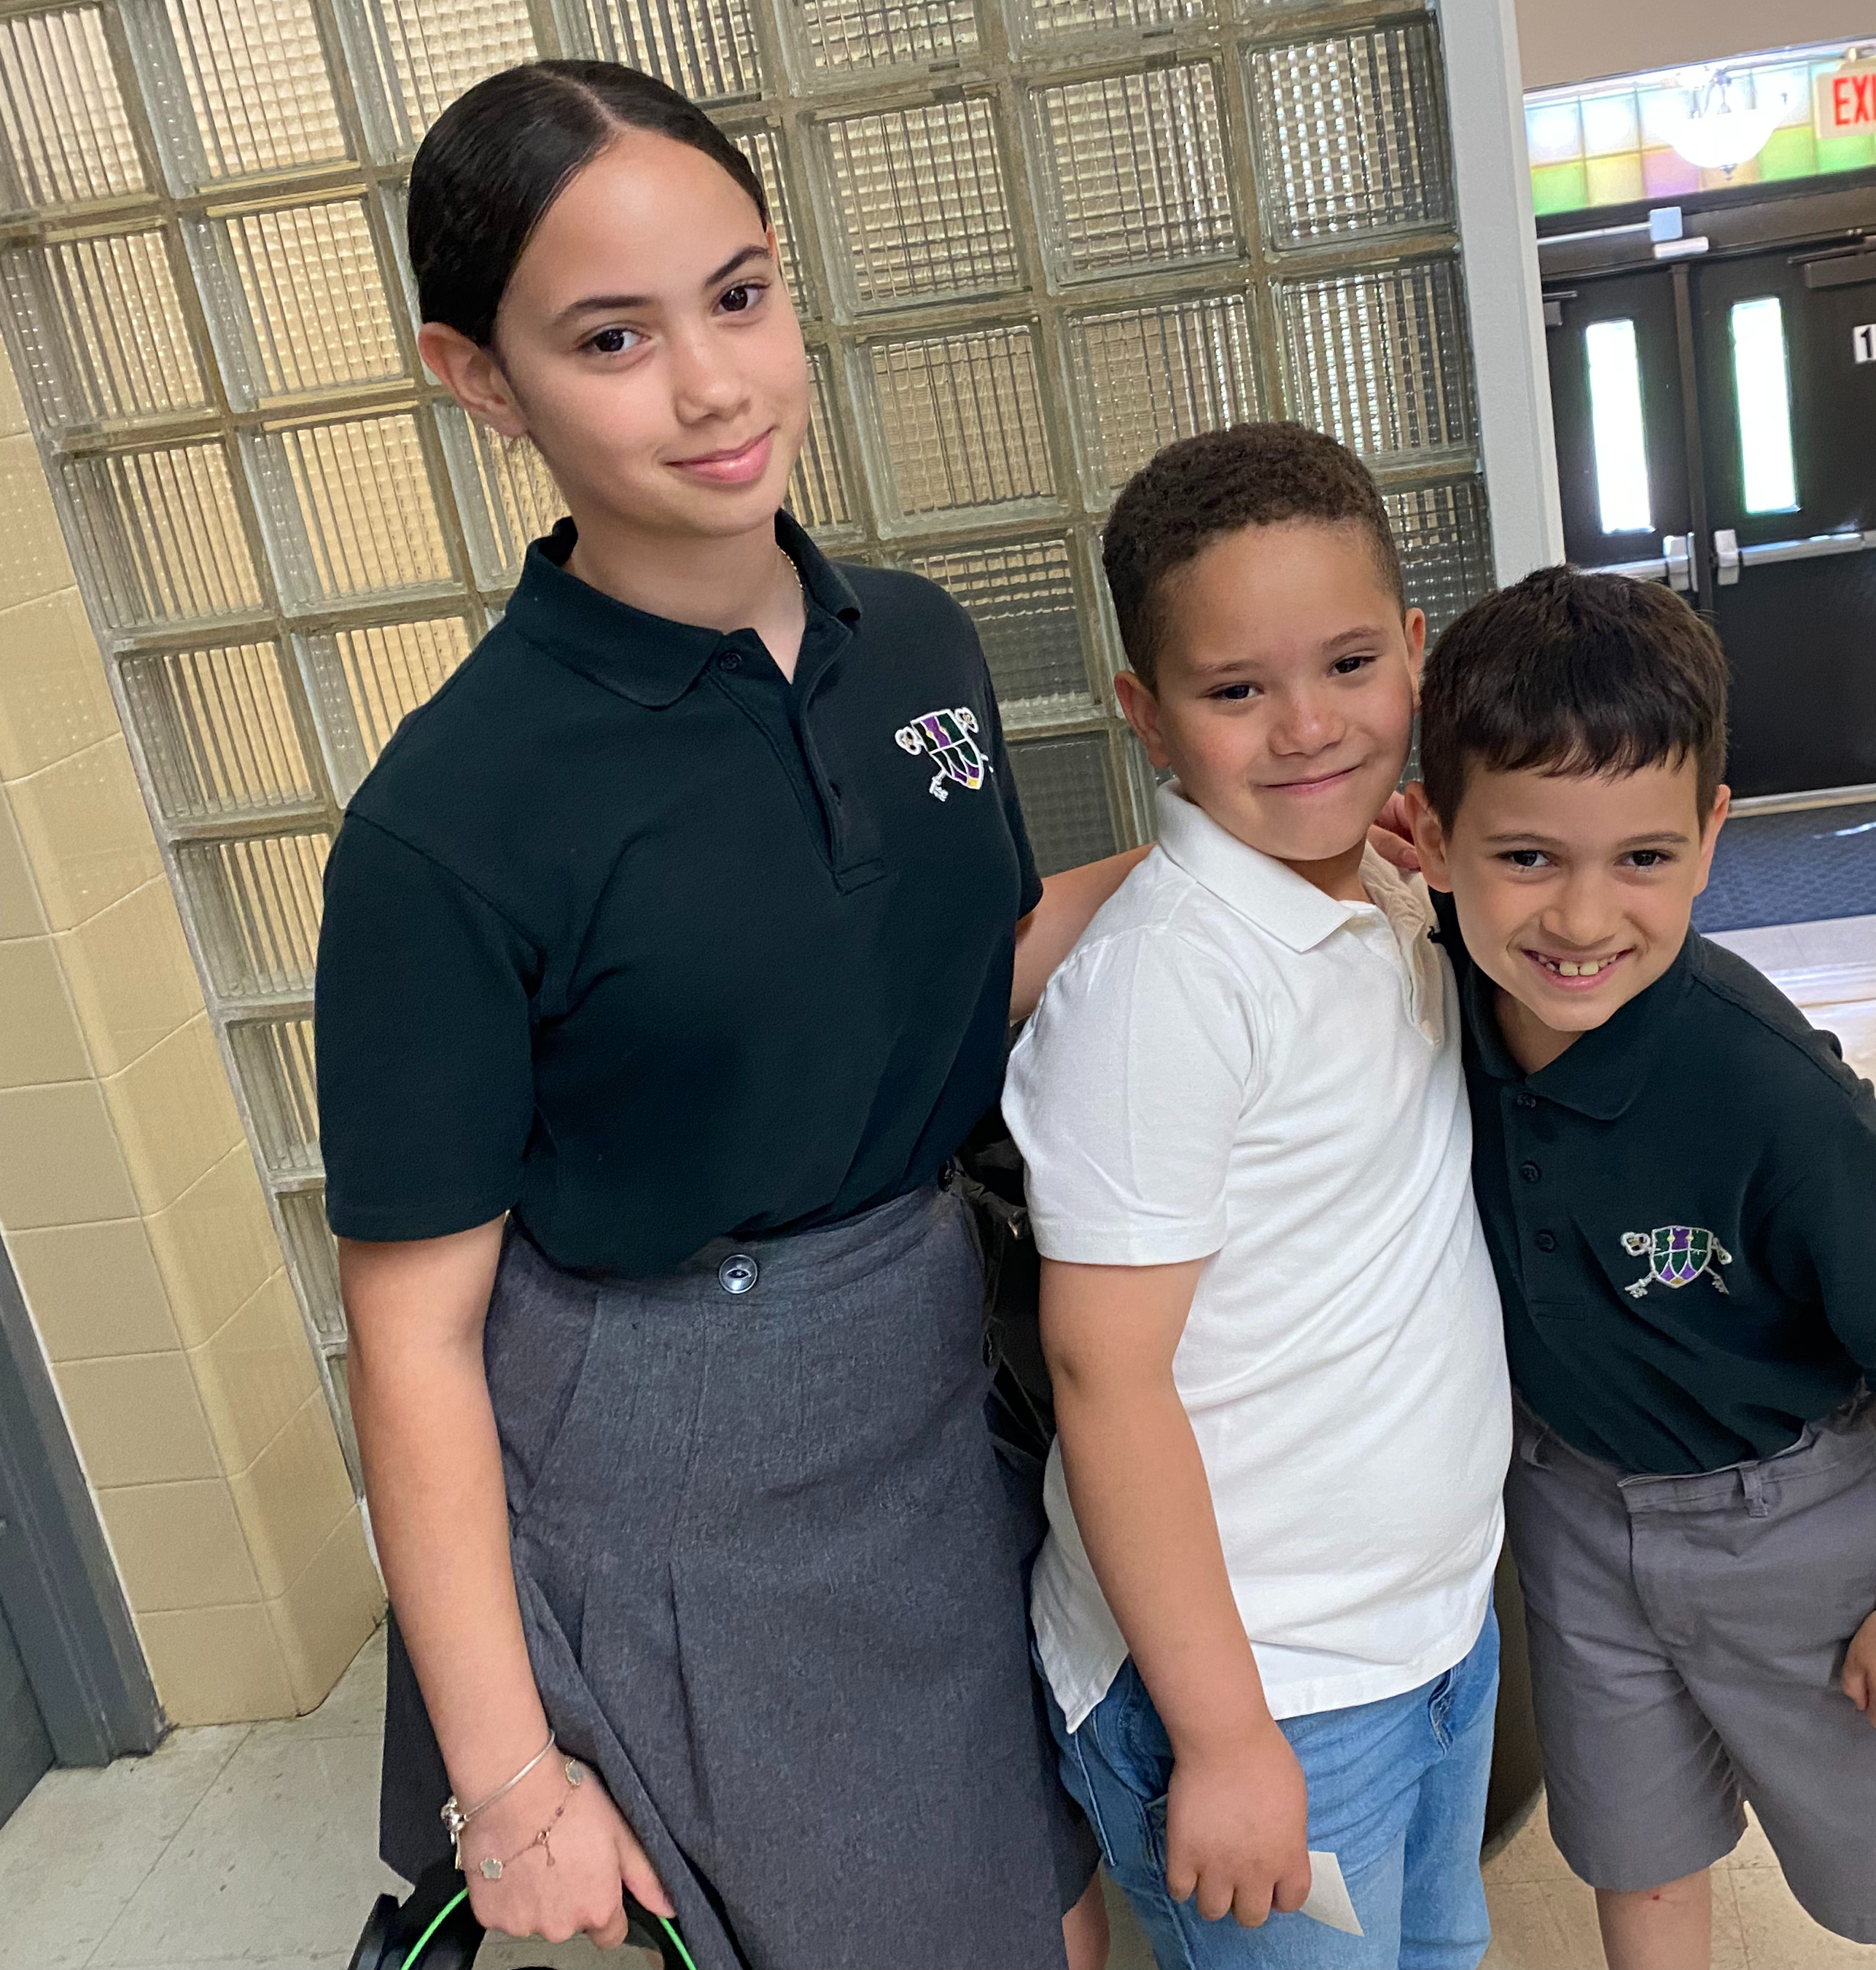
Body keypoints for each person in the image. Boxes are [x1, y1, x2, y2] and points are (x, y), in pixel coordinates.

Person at [314, 60, 1126, 1970]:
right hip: (688, 1456)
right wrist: (505, 1783)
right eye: (612, 336)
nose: (714, 385)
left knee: (1060, 1872)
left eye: (741, 295)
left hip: (940, 1368)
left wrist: (1273, 854)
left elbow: (948, 988)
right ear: (479, 377)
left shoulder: (915, 643)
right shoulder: (450, 819)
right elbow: (412, 1331)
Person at [1406, 568, 1876, 1970]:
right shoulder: (1439, 991)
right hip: (1574, 1510)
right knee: (1636, 1850)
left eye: (1642, 858)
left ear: (1711, 837)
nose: (1582, 921)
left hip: (1797, 1527)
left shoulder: (1769, 1094)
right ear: (1433, 838)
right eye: (1526, 857)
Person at [1003, 423, 1514, 1970]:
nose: (1307, 727)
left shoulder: (1391, 884)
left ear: (1415, 654)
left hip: (1428, 1633)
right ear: (1150, 719)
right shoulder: (1172, 989)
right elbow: (1108, 1373)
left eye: (1350, 663)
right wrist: (1224, 1741)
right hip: (1258, 1686)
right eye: (1237, 692)